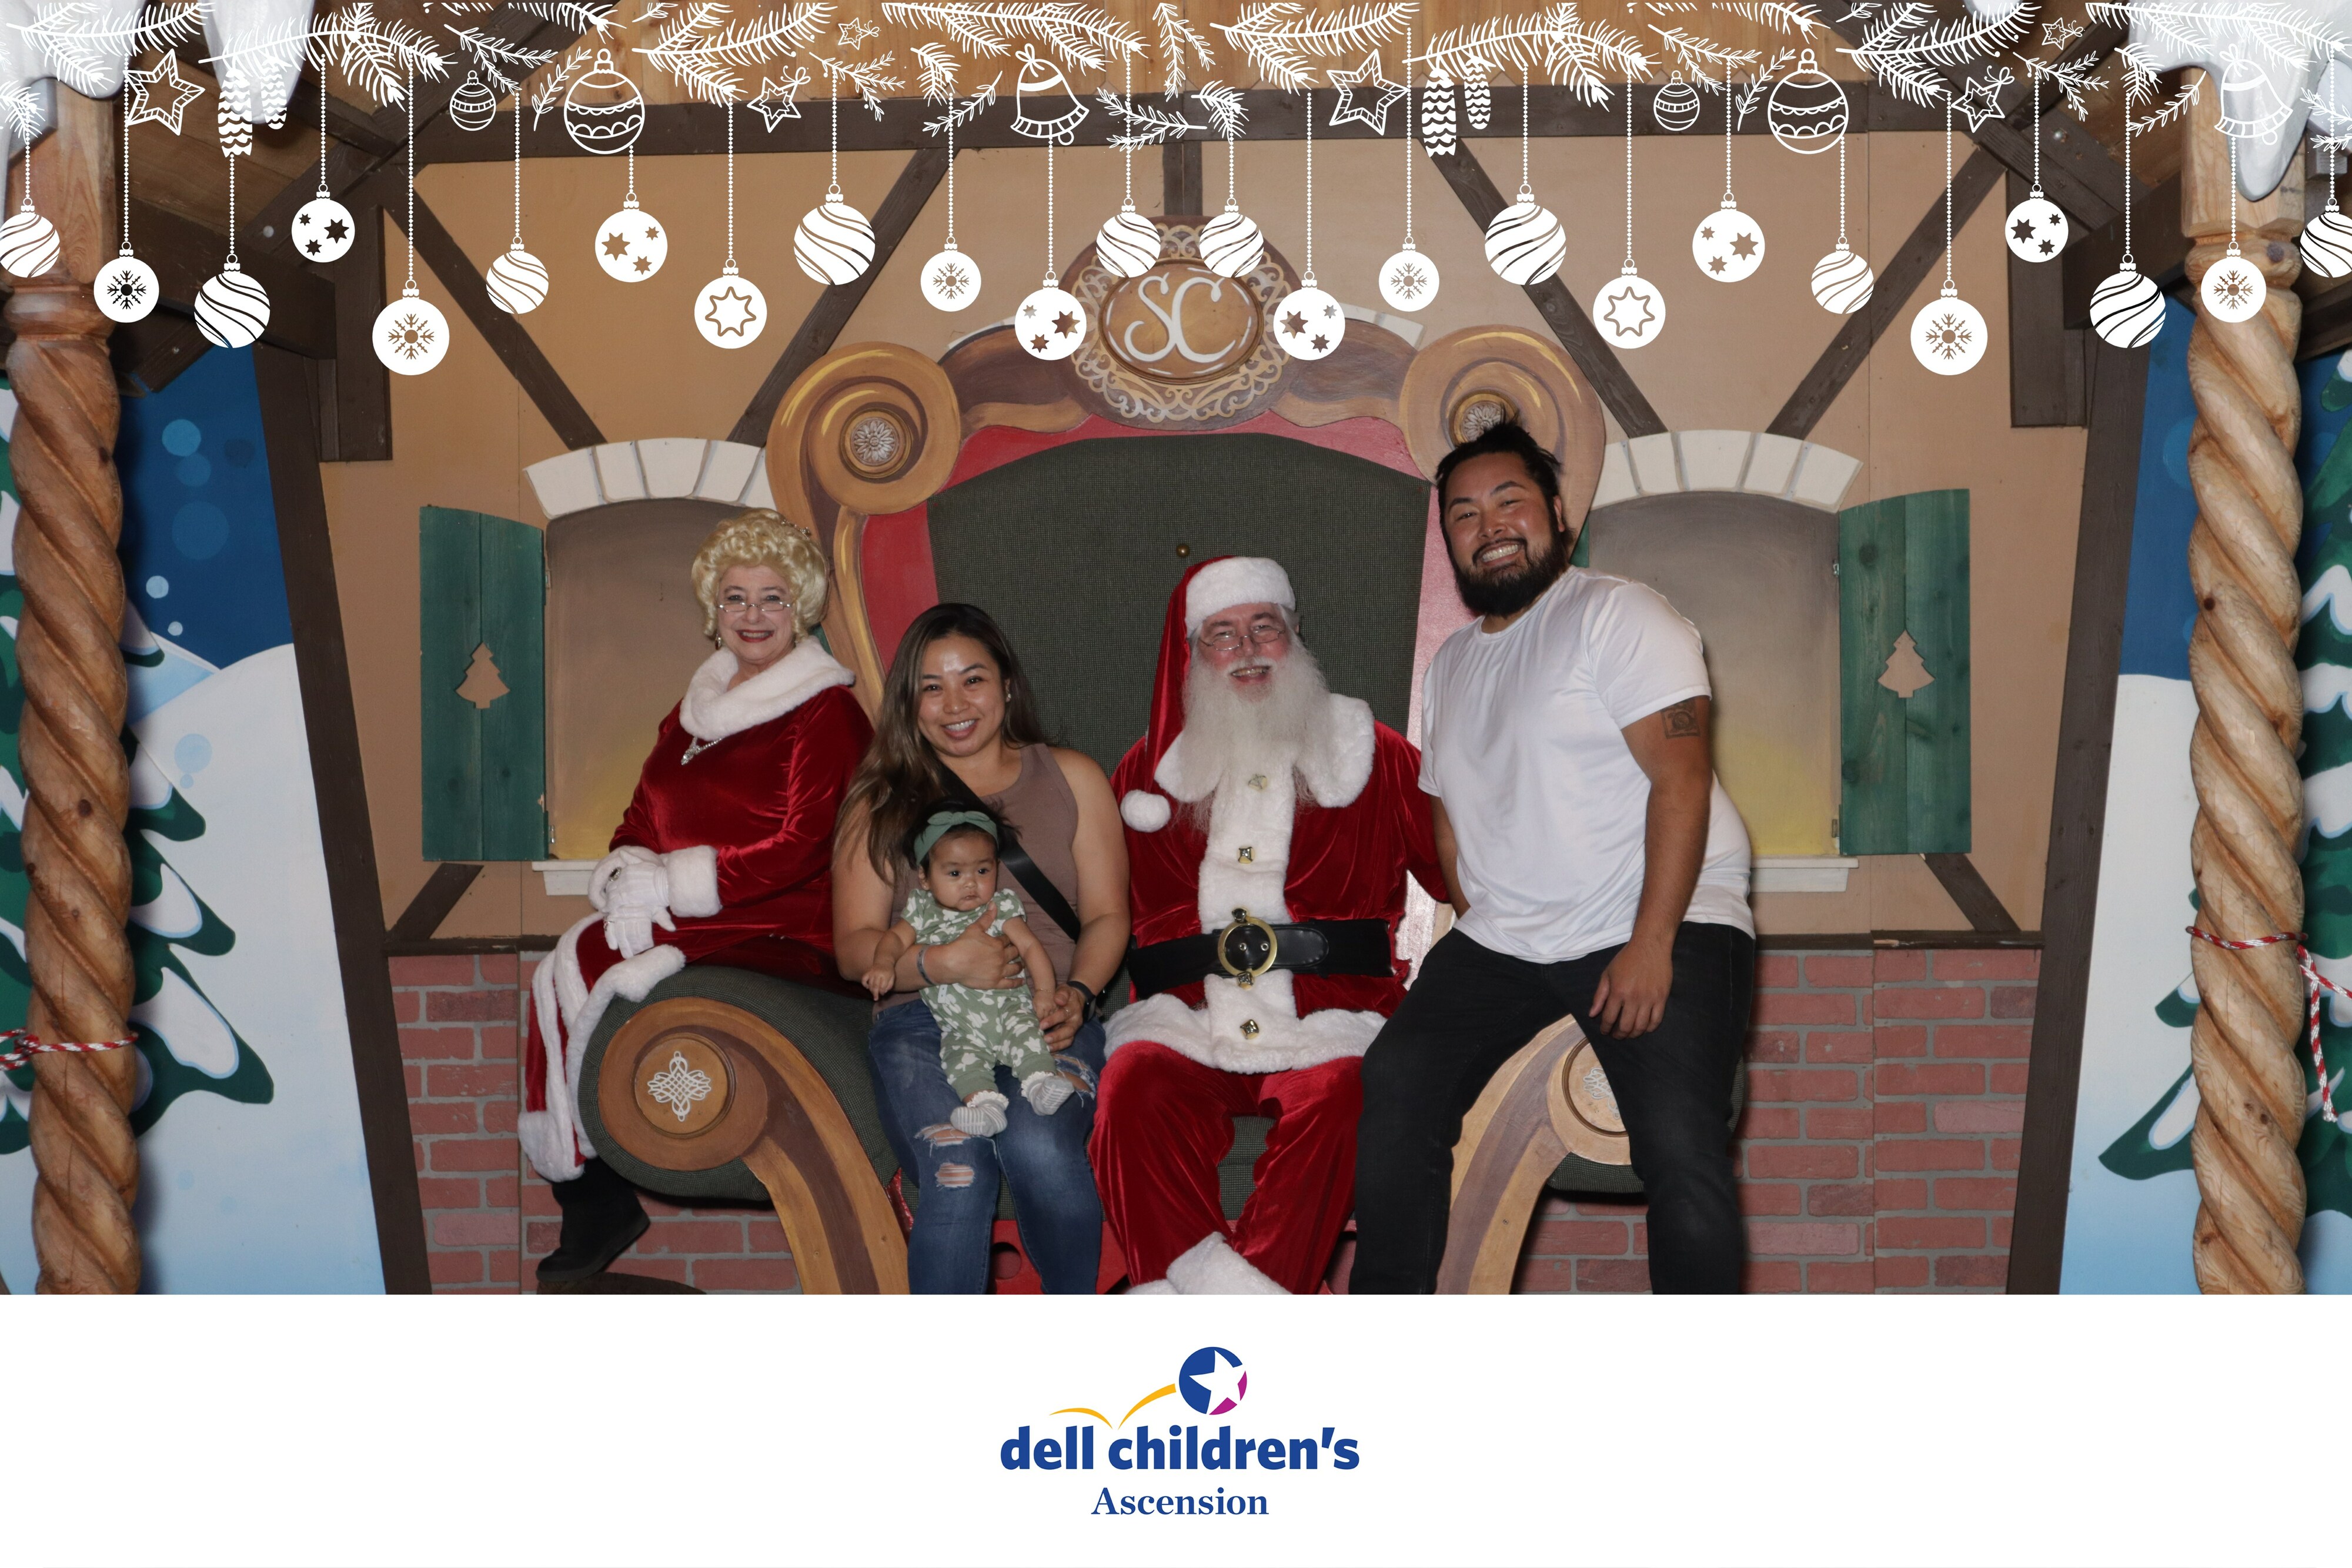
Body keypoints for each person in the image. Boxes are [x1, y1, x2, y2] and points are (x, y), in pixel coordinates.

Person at [1352, 419, 1756, 1295]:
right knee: (1397, 1079)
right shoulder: (1451, 663)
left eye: (1510, 501)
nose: (1489, 525)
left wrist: (1651, 944)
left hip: (1658, 916)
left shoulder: (1619, 613)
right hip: (1508, 939)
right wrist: (1477, 925)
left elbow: (1682, 778)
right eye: (1464, 514)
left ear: (1559, 514)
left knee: (1680, 1147)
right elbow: (1449, 817)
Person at [522, 509, 874, 1285]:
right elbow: (640, 817)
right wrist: (628, 873)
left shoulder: (826, 709)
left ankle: (593, 1186)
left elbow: (807, 842)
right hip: (707, 914)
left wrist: (676, 883)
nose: (753, 615)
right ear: (713, 609)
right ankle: (587, 1185)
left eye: (772, 597)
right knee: (567, 959)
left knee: (585, 955)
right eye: (735, 597)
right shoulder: (691, 713)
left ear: (801, 607)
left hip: (790, 921)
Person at [1094, 557, 1445, 1294]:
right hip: (1185, 1021)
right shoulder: (1145, 777)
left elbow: (1469, 879)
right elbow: (1092, 907)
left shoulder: (1374, 755)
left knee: (1348, 1090)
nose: (1247, 650)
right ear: (1193, 654)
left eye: (1265, 627)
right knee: (1129, 1085)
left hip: (1333, 1016)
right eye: (1222, 634)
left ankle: (1212, 1315)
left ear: (1296, 635)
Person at [833, 604, 1130, 1294]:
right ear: (908, 702)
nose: (955, 704)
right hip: (920, 1021)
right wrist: (938, 963)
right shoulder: (877, 801)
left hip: (1045, 1011)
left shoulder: (1072, 777)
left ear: (1007, 686)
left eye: (973, 680)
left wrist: (1077, 995)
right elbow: (854, 947)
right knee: (957, 1166)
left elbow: (1109, 915)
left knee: (1038, 1144)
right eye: (931, 687)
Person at [860, 807, 1070, 1136]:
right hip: (960, 1027)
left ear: (997, 868)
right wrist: (884, 964)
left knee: (1028, 1039)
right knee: (960, 1061)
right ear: (925, 878)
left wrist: (1044, 992)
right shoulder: (921, 912)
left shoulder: (999, 906)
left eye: (983, 870)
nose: (971, 883)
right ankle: (985, 1108)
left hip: (1009, 1008)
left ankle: (1041, 1085)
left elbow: (1030, 947)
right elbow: (894, 939)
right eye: (955, 873)